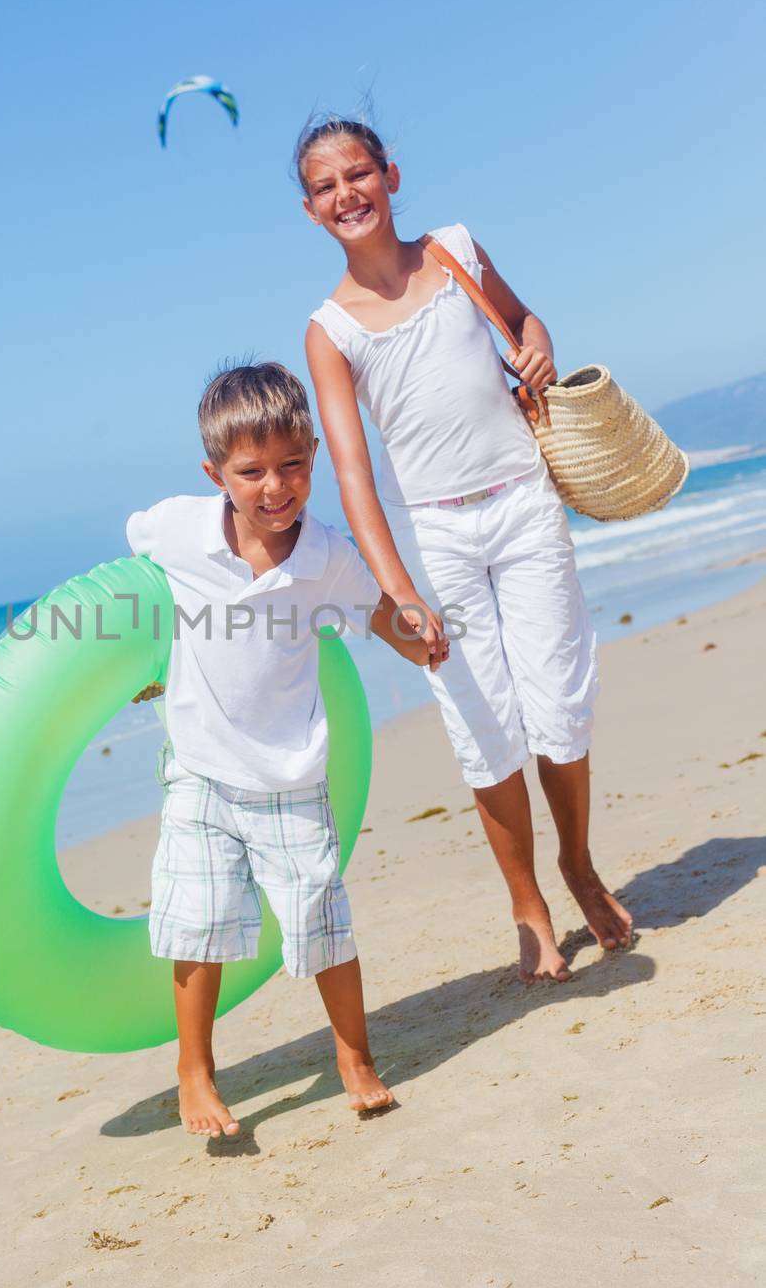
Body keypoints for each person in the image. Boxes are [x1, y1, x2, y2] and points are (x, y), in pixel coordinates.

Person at [298, 114, 633, 985]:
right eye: (326, 186)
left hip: (523, 503)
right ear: (309, 210)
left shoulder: (452, 250)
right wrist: (398, 590)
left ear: (391, 176)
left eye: (358, 174)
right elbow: (355, 481)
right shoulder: (330, 332)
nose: (347, 194)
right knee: (484, 731)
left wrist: (534, 356)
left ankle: (579, 865)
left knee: (558, 707)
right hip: (440, 538)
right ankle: (527, 905)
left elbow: (526, 326)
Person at [127, 361, 428, 1138]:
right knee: (198, 921)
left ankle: (354, 1057)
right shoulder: (175, 527)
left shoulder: (323, 555)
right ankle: (194, 1073)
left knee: (320, 917)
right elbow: (128, 576)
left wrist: (420, 642)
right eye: (250, 471)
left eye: (292, 465)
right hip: (198, 764)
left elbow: (373, 612)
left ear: (314, 457)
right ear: (214, 474)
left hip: (290, 768)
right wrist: (134, 664)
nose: (274, 487)